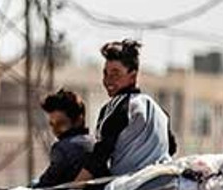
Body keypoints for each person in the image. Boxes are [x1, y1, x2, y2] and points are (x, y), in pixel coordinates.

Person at [75, 40, 177, 182]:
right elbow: (171, 148)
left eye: (115, 74)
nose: (108, 80)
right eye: (105, 74)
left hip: (127, 186)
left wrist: (73, 187)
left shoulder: (117, 106)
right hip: (162, 182)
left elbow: (100, 156)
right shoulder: (158, 110)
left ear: (133, 76)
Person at [32, 89, 95, 188]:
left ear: (78, 121)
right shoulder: (94, 142)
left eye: (61, 124)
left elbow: (47, 183)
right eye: (52, 125)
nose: (55, 130)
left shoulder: (63, 147)